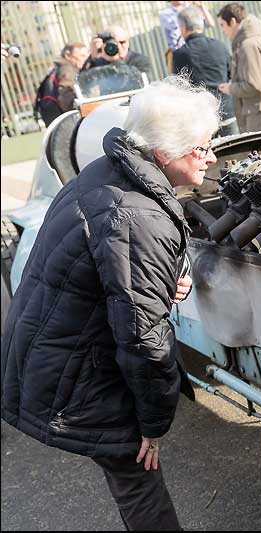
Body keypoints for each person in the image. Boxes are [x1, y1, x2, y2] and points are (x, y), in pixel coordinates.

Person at [1, 74, 219, 531]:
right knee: (137, 473)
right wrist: (153, 424)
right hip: (73, 371)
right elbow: (144, 343)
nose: (211, 157)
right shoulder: (139, 217)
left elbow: (111, 270)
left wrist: (157, 283)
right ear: (163, 151)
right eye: (201, 147)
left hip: (50, 346)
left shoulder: (108, 171)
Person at [217, 3, 261, 133]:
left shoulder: (249, 45)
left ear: (233, 21)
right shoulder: (256, 41)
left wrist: (230, 88)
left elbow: (255, 85)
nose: (222, 30)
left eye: (222, 25)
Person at [173, 5, 238, 137]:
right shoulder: (220, 45)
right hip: (227, 111)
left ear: (183, 28)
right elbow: (232, 74)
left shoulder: (180, 54)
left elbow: (180, 87)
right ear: (201, 25)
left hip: (202, 119)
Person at [35, 42, 89, 126]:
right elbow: (66, 94)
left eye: (86, 56)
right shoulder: (67, 69)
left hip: (55, 117)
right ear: (68, 56)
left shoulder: (59, 68)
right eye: (82, 56)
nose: (85, 59)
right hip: (65, 119)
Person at [85, 26, 152, 78]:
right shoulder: (101, 62)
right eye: (114, 43)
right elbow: (83, 82)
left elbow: (136, 81)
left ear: (128, 42)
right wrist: (93, 57)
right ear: (104, 44)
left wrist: (116, 60)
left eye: (122, 42)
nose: (119, 47)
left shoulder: (141, 60)